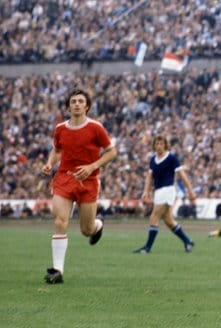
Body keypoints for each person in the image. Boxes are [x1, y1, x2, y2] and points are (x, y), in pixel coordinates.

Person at [41, 88, 118, 284]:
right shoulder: (60, 129)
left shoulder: (96, 128)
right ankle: (57, 270)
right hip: (65, 178)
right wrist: (50, 163)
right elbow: (57, 150)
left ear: (87, 106)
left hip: (89, 180)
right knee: (60, 221)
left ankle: (97, 225)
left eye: (80, 101)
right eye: (73, 101)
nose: (76, 104)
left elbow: (111, 152)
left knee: (86, 229)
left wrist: (92, 166)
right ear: (68, 106)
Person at [133, 134, 196, 253]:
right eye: (157, 144)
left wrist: (190, 191)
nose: (159, 146)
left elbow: (182, 175)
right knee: (168, 221)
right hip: (158, 192)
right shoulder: (153, 159)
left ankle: (147, 247)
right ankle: (188, 241)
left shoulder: (171, 158)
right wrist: (146, 191)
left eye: (161, 143)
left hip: (167, 191)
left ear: (165, 145)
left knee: (154, 217)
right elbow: (149, 176)